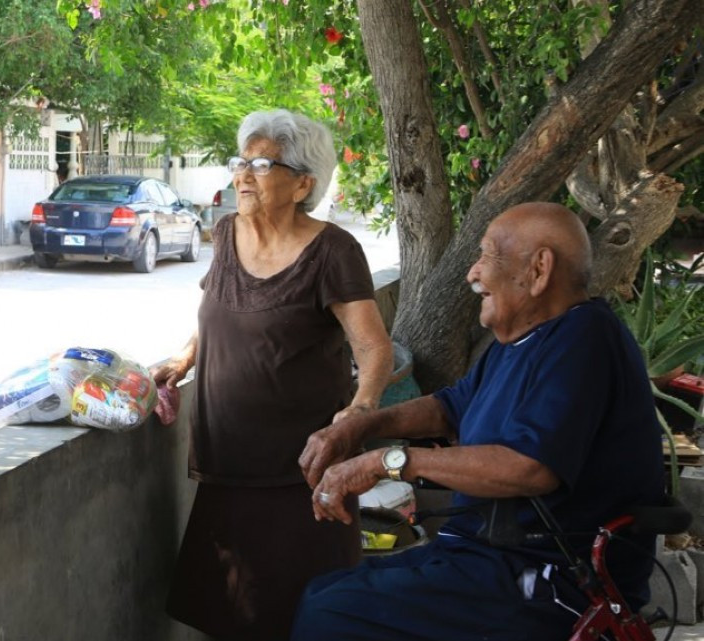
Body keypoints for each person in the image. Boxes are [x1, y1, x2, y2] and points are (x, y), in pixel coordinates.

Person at [291, 202, 665, 641]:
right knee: (325, 590)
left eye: (486, 256)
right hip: (483, 551)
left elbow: (529, 467)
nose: (472, 273)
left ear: (539, 269)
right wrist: (360, 424)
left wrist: (385, 462)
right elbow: (450, 407)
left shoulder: (585, 341)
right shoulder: (523, 339)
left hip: (553, 574)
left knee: (332, 613)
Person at [152, 109, 393, 640]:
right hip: (225, 466)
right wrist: (184, 357)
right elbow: (220, 312)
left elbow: (375, 348)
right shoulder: (226, 232)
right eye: (240, 161)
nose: (241, 174)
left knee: (302, 617)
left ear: (303, 182)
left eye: (260, 164)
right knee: (229, 613)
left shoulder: (332, 251)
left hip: (301, 474)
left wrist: (357, 413)